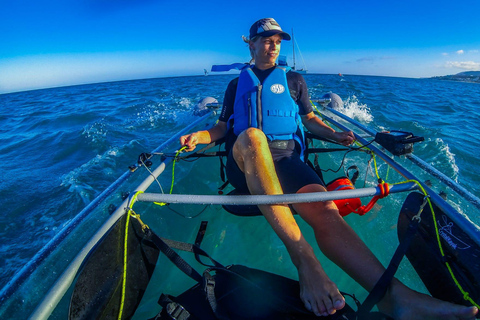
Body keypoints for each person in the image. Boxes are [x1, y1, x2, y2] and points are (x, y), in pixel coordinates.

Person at [180, 18, 478, 319]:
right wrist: (199, 137)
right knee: (254, 137)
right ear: (252, 43)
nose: (273, 44)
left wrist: (335, 134)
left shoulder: (294, 80)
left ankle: (395, 297)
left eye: (278, 40)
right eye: (267, 39)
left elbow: (309, 119)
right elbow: (220, 128)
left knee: (325, 209)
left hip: (285, 159)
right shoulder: (235, 84)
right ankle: (305, 259)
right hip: (243, 162)